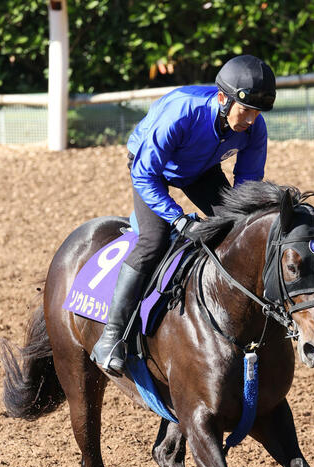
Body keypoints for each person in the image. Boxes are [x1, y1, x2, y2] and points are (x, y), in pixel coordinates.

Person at [90, 54, 277, 375]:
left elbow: (247, 188)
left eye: (256, 113)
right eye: (245, 110)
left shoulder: (254, 128)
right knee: (154, 240)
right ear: (222, 98)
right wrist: (176, 218)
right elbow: (144, 173)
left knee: (239, 231)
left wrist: (239, 221)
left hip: (200, 171)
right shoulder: (182, 112)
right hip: (151, 169)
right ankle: (111, 336)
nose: (250, 119)